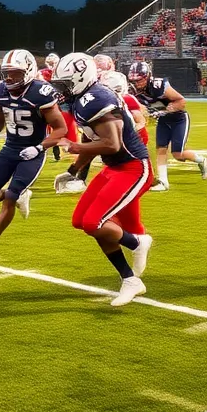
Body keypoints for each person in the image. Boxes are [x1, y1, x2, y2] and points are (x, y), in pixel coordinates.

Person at [48, 53, 153, 305]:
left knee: (94, 222)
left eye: (65, 84)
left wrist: (75, 148)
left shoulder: (97, 98)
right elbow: (89, 138)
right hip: (114, 169)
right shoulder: (81, 100)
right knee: (80, 221)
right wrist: (74, 170)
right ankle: (130, 279)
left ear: (81, 79)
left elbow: (112, 144)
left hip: (133, 167)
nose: (61, 90)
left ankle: (137, 242)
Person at [0, 49, 68, 262]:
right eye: (7, 72)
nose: (10, 77)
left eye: (16, 72)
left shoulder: (40, 93)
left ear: (29, 71)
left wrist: (40, 148)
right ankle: (21, 194)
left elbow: (61, 130)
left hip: (32, 152)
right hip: (10, 148)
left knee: (11, 197)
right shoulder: (0, 91)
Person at [128, 61, 207, 191]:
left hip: (179, 119)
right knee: (161, 149)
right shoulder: (134, 91)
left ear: (147, 76)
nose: (136, 83)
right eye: (134, 80)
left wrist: (163, 111)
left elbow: (181, 101)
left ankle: (201, 160)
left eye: (139, 80)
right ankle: (163, 182)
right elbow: (141, 108)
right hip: (163, 120)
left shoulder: (158, 85)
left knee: (178, 154)